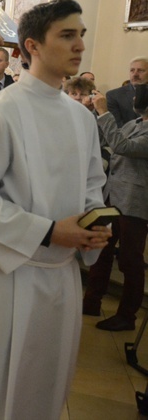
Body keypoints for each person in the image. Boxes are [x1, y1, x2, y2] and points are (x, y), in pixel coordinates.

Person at [0, 0, 111, 418]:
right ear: (31, 45)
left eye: (81, 35)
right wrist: (50, 232)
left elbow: (92, 185)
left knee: (44, 382)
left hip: (61, 274)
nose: (79, 46)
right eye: (66, 35)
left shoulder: (81, 118)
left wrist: (93, 224)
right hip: (8, 274)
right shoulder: (0, 110)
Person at [82, 85, 148, 331]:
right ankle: (91, 301)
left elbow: (124, 147)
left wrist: (104, 112)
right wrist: (91, 114)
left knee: (130, 260)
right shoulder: (135, 123)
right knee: (101, 251)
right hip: (114, 196)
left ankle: (127, 316)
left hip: (134, 202)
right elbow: (109, 139)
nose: (133, 98)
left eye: (137, 95)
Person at [107, 57, 146, 127]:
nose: (135, 74)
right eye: (132, 70)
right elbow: (117, 127)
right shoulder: (114, 95)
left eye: (140, 70)